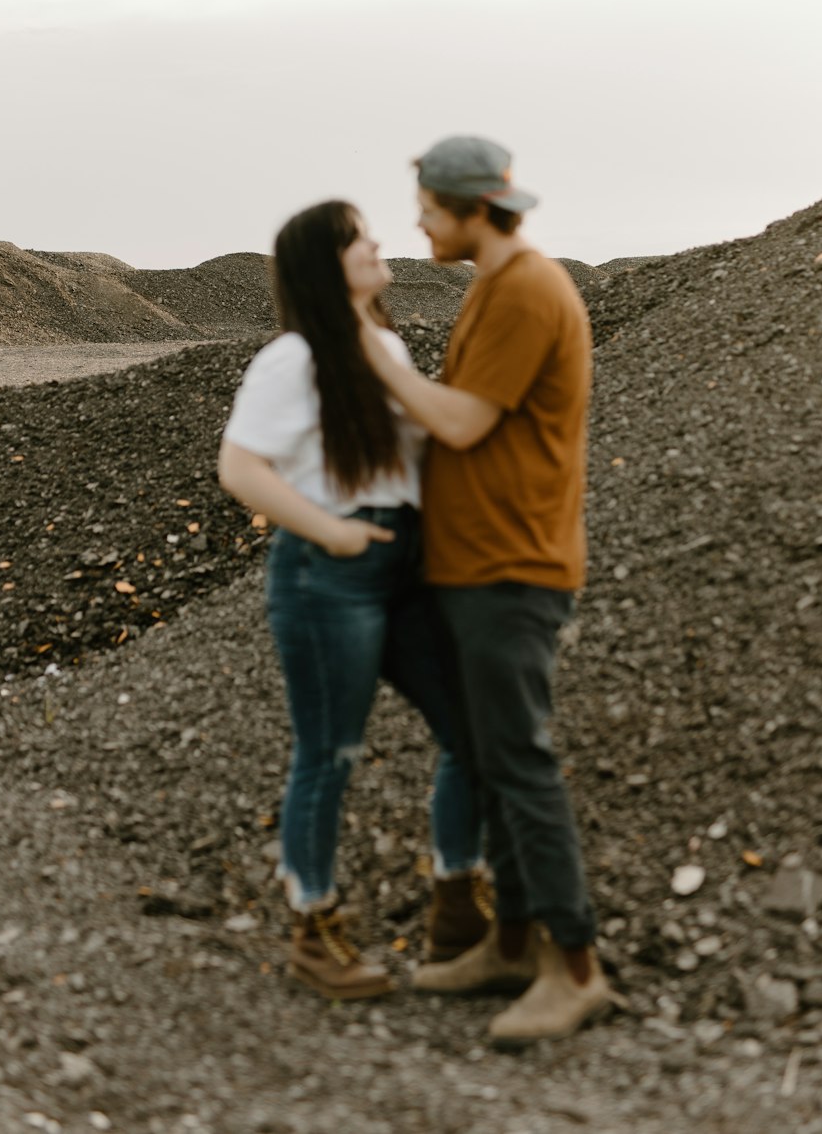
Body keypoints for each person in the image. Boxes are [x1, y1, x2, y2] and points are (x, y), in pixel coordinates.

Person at [358, 135, 619, 1046]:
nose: (419, 223)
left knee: (519, 761)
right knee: (491, 753)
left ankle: (576, 966)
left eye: (427, 206)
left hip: (515, 564)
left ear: (470, 207)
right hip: (477, 561)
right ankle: (512, 942)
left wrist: (376, 357)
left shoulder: (527, 291)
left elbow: (462, 422)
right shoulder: (497, 288)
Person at [217, 199, 488, 1001]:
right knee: (330, 753)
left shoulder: (387, 344)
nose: (377, 244)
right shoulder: (294, 357)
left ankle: (455, 908)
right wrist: (331, 533)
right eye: (358, 238)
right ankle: (314, 926)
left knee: (472, 725)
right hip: (327, 571)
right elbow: (241, 467)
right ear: (324, 264)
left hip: (404, 564)